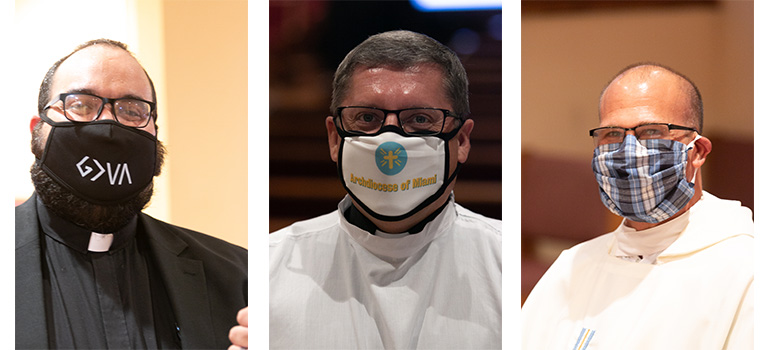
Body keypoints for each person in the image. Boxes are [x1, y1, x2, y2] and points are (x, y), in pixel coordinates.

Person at [269, 30, 502, 348]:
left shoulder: (505, 263)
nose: (389, 141)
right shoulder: (269, 266)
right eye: (367, 117)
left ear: (461, 141)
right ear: (335, 139)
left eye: (420, 118)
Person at [15, 38, 248, 349]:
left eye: (132, 110)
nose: (109, 123)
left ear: (154, 134)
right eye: (81, 104)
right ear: (37, 132)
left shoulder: (240, 277)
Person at [522, 63, 753, 349]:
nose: (628, 152)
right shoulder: (572, 266)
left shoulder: (747, 270)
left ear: (697, 152)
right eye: (612, 134)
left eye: (651, 131)